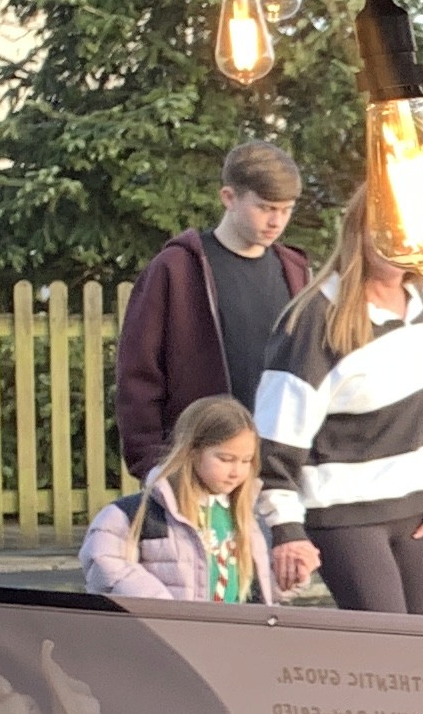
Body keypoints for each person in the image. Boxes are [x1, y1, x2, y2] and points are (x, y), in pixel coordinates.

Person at [254, 204, 423, 616]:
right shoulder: (316, 318)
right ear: (361, 230)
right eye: (386, 229)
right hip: (345, 514)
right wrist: (286, 529)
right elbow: (276, 436)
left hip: (422, 507)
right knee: (386, 650)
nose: (397, 242)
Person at [112, 139, 308, 475]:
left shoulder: (296, 271)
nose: (277, 221)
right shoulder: (176, 269)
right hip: (195, 468)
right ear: (229, 198)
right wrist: (151, 465)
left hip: (278, 472)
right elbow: (138, 374)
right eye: (265, 207)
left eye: (286, 209)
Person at [80, 394, 273, 603]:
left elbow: (261, 585)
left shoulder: (248, 517)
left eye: (246, 461)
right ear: (192, 452)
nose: (237, 471)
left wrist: (288, 576)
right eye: (226, 459)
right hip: (167, 632)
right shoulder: (137, 513)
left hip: (233, 633)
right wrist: (162, 606)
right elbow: (103, 562)